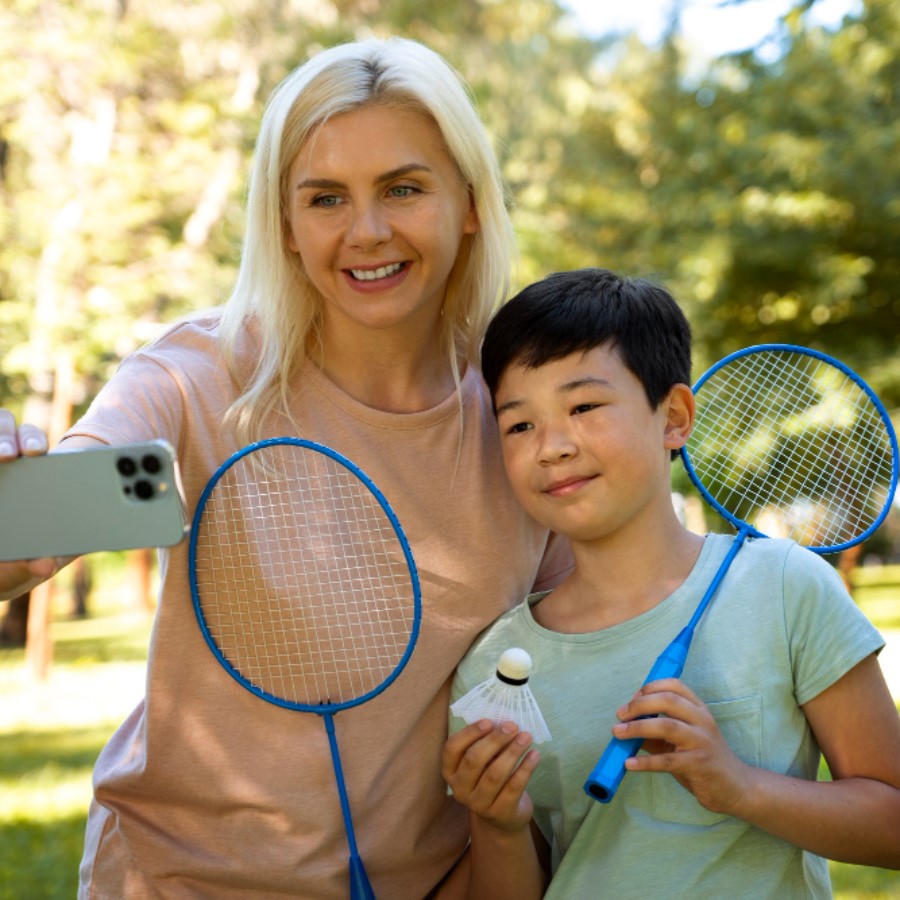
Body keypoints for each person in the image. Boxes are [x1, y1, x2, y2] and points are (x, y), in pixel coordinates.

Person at [0, 38, 573, 899]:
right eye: (326, 198)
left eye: (404, 189)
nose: (366, 231)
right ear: (284, 223)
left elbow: (591, 642)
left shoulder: (522, 412)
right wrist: (19, 516)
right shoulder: (196, 374)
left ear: (468, 203)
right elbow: (46, 524)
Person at [442, 268, 900, 899]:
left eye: (584, 406)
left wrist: (738, 786)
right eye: (519, 425)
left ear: (674, 417)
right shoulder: (494, 670)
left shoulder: (786, 588)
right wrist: (497, 826)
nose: (552, 446)